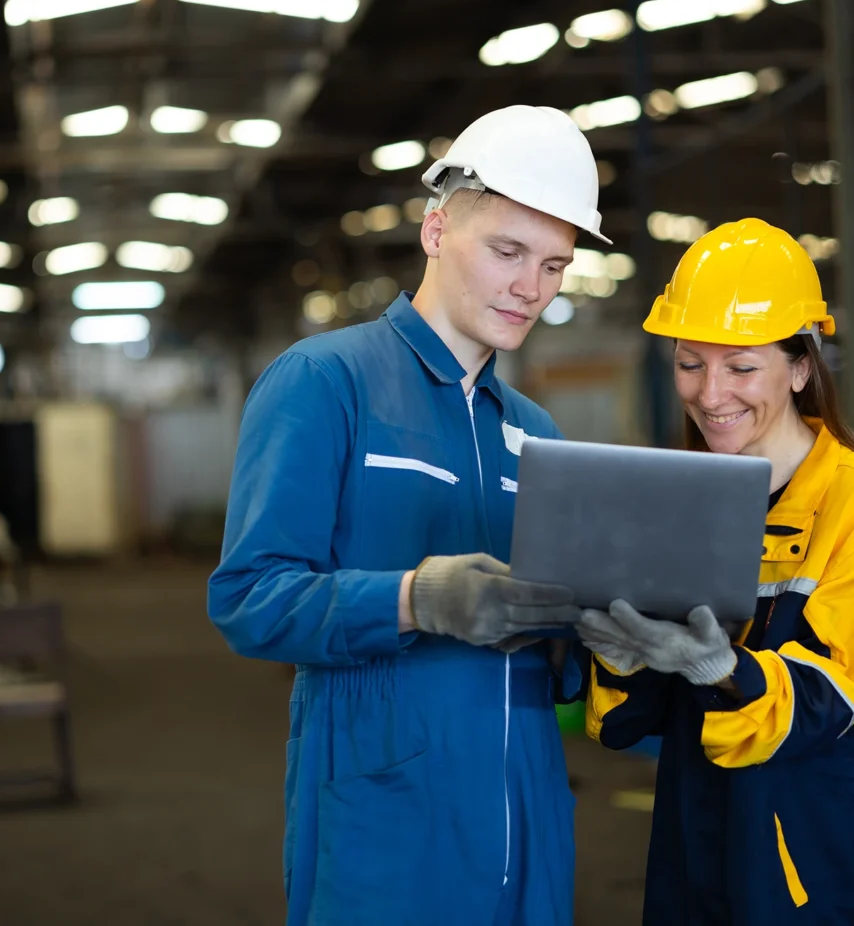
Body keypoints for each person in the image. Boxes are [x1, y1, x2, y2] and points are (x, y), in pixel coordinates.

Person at [208, 105, 606, 926]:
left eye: (556, 266)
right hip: (384, 831)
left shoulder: (538, 435)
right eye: (507, 252)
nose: (531, 288)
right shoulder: (325, 383)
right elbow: (249, 597)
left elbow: (561, 654)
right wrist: (414, 599)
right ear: (434, 230)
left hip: (526, 824)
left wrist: (611, 635)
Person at [580, 217, 854, 925]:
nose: (709, 393)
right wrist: (620, 659)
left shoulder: (848, 503)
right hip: (692, 858)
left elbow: (836, 697)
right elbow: (629, 725)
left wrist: (719, 669)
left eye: (741, 365)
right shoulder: (674, 500)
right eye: (690, 361)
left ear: (799, 367)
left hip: (814, 876)